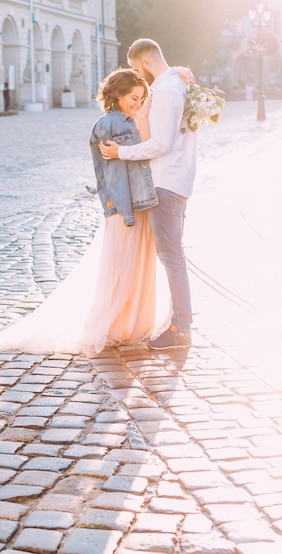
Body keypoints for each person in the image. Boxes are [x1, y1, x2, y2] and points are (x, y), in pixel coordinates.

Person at [0, 68, 168, 356]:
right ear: (116, 94)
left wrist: (141, 117)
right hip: (127, 209)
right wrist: (125, 213)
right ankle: (113, 326)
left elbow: (145, 155)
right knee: (120, 270)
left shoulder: (130, 119)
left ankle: (131, 326)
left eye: (141, 99)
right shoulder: (109, 124)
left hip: (139, 205)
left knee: (135, 270)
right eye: (133, 98)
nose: (137, 103)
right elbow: (114, 174)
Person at [100, 39, 198, 350]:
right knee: (172, 254)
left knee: (171, 255)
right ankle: (179, 323)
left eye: (133, 67)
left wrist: (122, 152)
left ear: (143, 62)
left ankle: (181, 328)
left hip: (167, 181)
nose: (136, 74)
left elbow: (161, 144)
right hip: (176, 179)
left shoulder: (168, 91)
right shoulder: (178, 84)